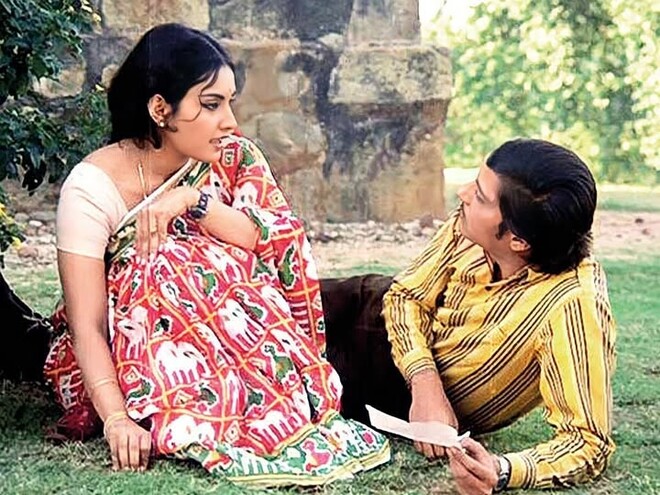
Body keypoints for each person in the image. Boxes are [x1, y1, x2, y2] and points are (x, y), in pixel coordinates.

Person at [42, 23, 390, 485]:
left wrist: (192, 201)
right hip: (134, 349)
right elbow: (87, 323)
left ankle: (268, 399)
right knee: (157, 265)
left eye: (229, 102)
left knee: (219, 260)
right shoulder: (91, 190)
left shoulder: (230, 159)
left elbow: (269, 238)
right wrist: (117, 419)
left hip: (242, 338)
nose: (230, 121)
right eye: (211, 105)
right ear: (160, 109)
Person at [322, 138, 616, 493]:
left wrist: (501, 470)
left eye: (480, 196)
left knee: (271, 381)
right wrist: (425, 383)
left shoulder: (572, 306)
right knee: (261, 303)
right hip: (366, 310)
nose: (462, 194)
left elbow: (587, 441)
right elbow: (405, 297)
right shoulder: (470, 225)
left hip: (379, 386)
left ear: (518, 241)